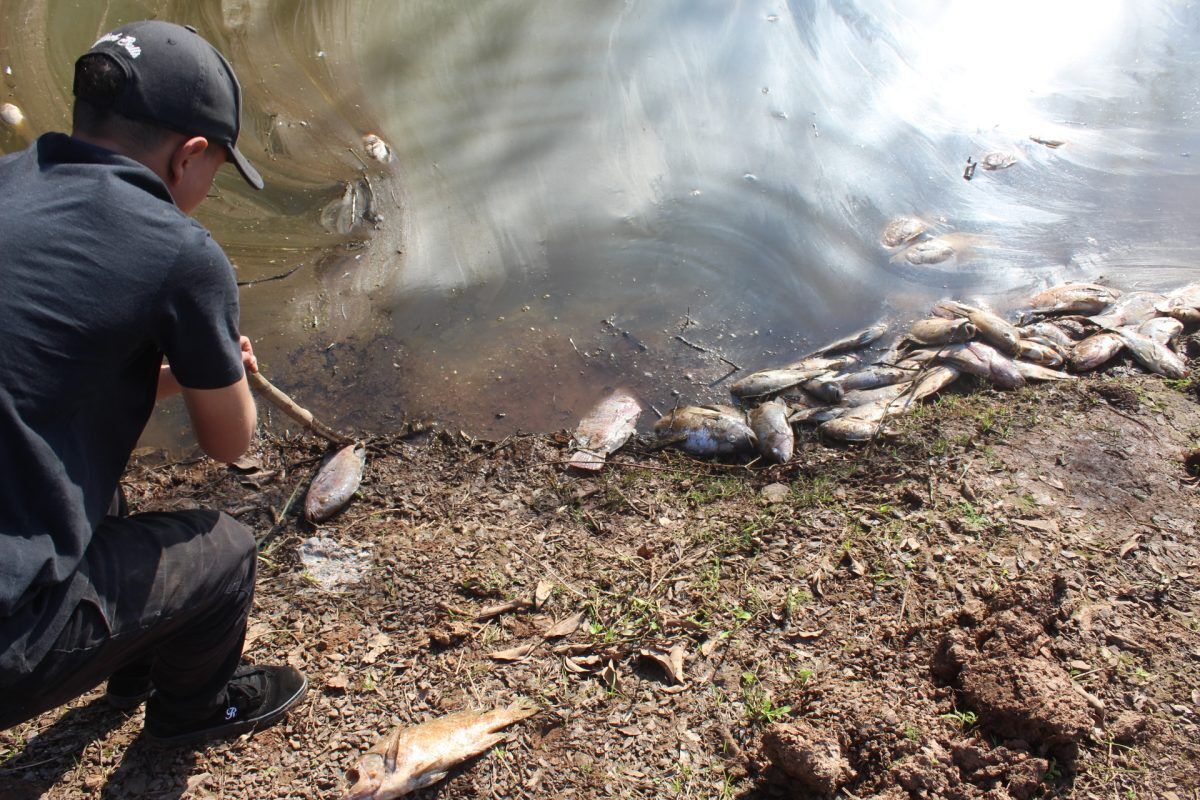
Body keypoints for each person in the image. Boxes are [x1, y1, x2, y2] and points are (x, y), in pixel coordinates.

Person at [0, 21, 307, 744]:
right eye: (218, 169)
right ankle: (195, 710)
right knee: (226, 551)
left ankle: (128, 648)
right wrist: (221, 369)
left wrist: (172, 376)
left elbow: (51, 375)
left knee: (94, 475)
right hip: (8, 640)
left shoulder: (12, 182)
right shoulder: (181, 252)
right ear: (189, 155)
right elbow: (230, 441)